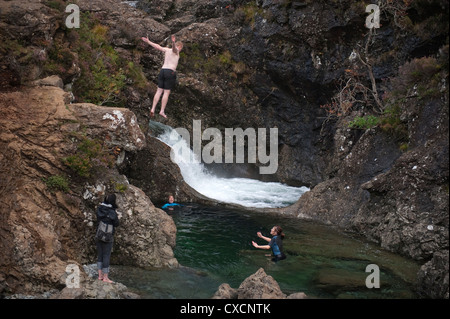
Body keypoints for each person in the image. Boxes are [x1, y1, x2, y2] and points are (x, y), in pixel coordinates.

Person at [141, 34, 183, 118]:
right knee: (166, 92)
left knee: (159, 91)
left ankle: (153, 108)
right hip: (169, 72)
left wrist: (148, 42)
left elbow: (158, 47)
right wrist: (173, 42)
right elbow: (175, 49)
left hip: (162, 71)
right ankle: (162, 111)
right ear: (180, 47)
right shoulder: (176, 52)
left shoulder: (167, 50)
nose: (181, 49)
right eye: (181, 48)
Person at [96, 194, 120, 283]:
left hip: (99, 234)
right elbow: (117, 223)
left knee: (100, 255)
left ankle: (99, 276)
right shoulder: (112, 212)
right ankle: (105, 278)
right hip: (108, 236)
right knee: (106, 255)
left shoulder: (100, 209)